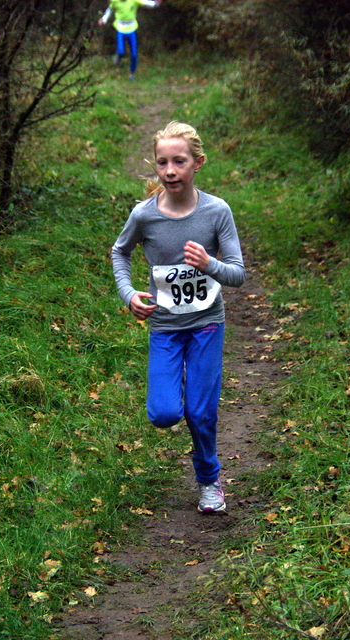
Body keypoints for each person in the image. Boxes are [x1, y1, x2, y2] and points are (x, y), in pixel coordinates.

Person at [111, 122, 246, 513]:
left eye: (179, 162)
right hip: (166, 328)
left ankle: (209, 483)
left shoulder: (216, 212)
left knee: (201, 412)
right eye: (162, 162)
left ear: (197, 163)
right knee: (164, 413)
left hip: (206, 324)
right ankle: (184, 390)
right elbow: (120, 253)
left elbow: (238, 274)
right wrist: (128, 294)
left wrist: (210, 263)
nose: (170, 171)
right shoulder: (145, 215)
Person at [98, 0, 162, 79]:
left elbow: (146, 3)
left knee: (134, 54)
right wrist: (103, 20)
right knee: (121, 51)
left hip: (131, 29)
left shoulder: (134, 0)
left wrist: (156, 4)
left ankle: (132, 74)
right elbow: (109, 10)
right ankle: (118, 57)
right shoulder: (115, 1)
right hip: (120, 29)